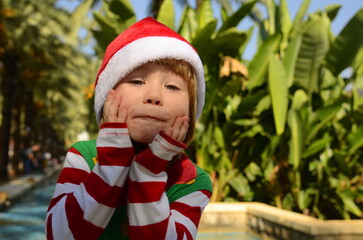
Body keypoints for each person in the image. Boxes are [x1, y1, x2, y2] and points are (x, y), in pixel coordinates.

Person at [45, 17, 212, 240]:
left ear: (191, 111)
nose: (153, 96)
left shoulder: (192, 180)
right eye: (136, 82)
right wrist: (111, 163)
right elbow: (59, 235)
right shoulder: (84, 157)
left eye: (172, 86)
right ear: (107, 97)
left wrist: (149, 171)